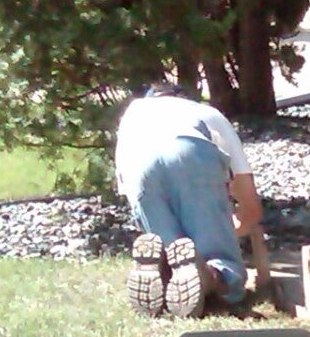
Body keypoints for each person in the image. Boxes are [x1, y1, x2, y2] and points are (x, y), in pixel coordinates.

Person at [114, 81, 272, 319]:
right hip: (190, 151)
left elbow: (130, 193)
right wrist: (230, 229)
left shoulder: (132, 114)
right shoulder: (206, 113)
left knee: (171, 247)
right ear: (184, 97)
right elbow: (250, 204)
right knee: (221, 262)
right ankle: (213, 277)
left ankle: (165, 273)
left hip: (137, 164)